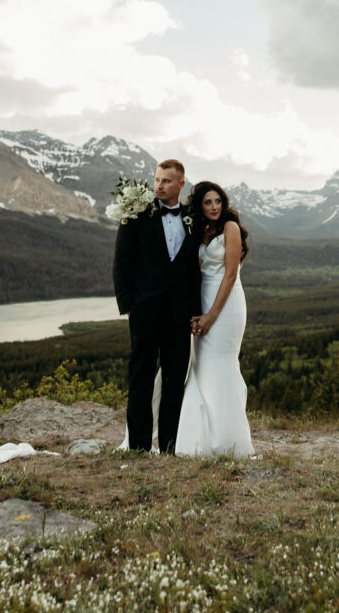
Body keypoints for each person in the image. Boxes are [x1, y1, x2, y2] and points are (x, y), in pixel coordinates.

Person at [112, 159, 201, 453]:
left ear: (180, 184)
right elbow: (121, 262)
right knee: (141, 378)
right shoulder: (137, 215)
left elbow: (193, 269)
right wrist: (128, 306)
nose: (159, 185)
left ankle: (169, 446)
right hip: (144, 312)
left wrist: (197, 309)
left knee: (175, 381)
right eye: (157, 180)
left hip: (180, 315)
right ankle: (138, 445)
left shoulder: (193, 217)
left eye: (165, 181)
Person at [175, 181, 254, 457]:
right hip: (203, 300)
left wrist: (211, 316)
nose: (214, 207)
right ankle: (199, 440)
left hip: (227, 303)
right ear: (200, 205)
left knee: (222, 364)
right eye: (208, 202)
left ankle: (229, 441)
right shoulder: (200, 230)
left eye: (218, 201)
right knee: (200, 366)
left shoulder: (230, 228)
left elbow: (230, 274)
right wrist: (195, 313)